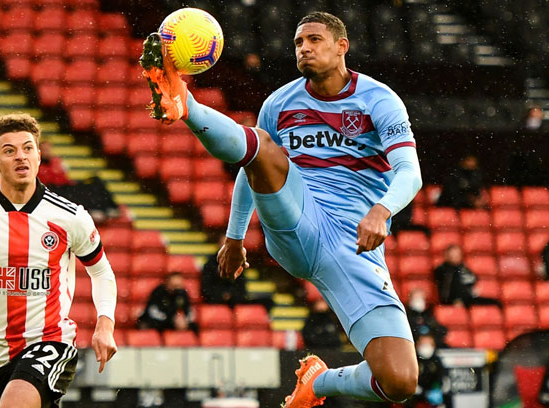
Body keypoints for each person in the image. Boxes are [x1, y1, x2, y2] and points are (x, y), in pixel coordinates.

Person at [140, 11, 422, 405]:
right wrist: (235, 236)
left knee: (400, 381)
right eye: (297, 43)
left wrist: (382, 209)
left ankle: (317, 382)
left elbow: (410, 171)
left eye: (314, 40)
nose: (304, 48)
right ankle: (184, 102)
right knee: (262, 146)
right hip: (300, 218)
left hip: (353, 247)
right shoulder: (281, 102)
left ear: (342, 46)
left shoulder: (378, 99)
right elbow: (252, 163)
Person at [0, 113, 118, 408]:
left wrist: (105, 323)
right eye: (9, 151)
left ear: (39, 156)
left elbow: (101, 271)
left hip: (50, 342)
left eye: (28, 148)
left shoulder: (70, 216)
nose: (21, 157)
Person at [434, 245, 502, 308]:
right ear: (446, 255)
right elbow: (447, 288)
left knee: (496, 303)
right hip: (453, 301)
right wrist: (457, 300)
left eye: (457, 254)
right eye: (452, 255)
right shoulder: (443, 269)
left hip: (468, 299)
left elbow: (473, 279)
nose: (454, 257)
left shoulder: (463, 267)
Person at [201, 236, 249, 307]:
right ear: (219, 245)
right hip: (214, 300)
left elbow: (241, 286)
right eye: (225, 245)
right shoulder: (210, 264)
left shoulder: (238, 263)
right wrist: (221, 295)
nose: (227, 248)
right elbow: (206, 287)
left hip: (235, 300)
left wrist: (231, 294)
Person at [410, 334, 451, 408]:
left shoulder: (436, 360)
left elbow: (444, 378)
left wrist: (439, 390)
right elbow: (410, 381)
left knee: (447, 398)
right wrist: (424, 393)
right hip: (418, 396)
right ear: (418, 345)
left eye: (428, 344)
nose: (426, 347)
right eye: (423, 344)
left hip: (434, 392)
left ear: (433, 345)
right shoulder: (414, 360)